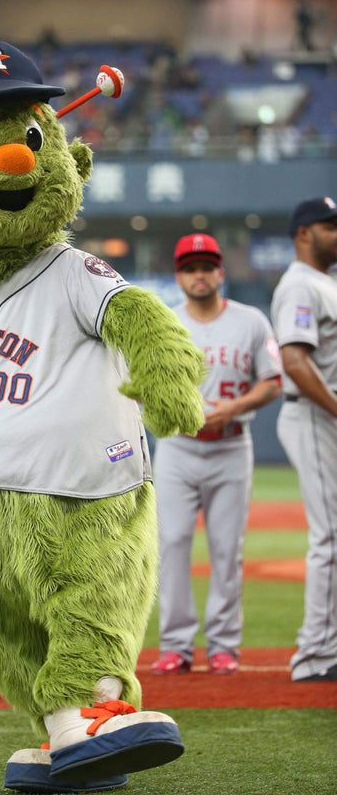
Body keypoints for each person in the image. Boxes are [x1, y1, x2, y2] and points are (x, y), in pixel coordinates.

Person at [152, 233, 282, 675]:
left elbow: (272, 380)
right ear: (179, 276)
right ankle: (176, 645)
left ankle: (224, 645)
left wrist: (235, 407)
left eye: (207, 266)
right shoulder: (164, 324)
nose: (199, 274)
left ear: (221, 273)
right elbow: (142, 387)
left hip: (230, 447)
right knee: (170, 545)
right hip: (176, 449)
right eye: (190, 267)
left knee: (227, 549)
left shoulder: (251, 321)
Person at [271, 197, 337, 682]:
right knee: (330, 536)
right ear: (303, 233)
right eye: (329, 226)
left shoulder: (325, 284)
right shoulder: (298, 284)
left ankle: (325, 647)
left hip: (325, 415)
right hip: (315, 416)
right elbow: (295, 361)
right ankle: (315, 656)